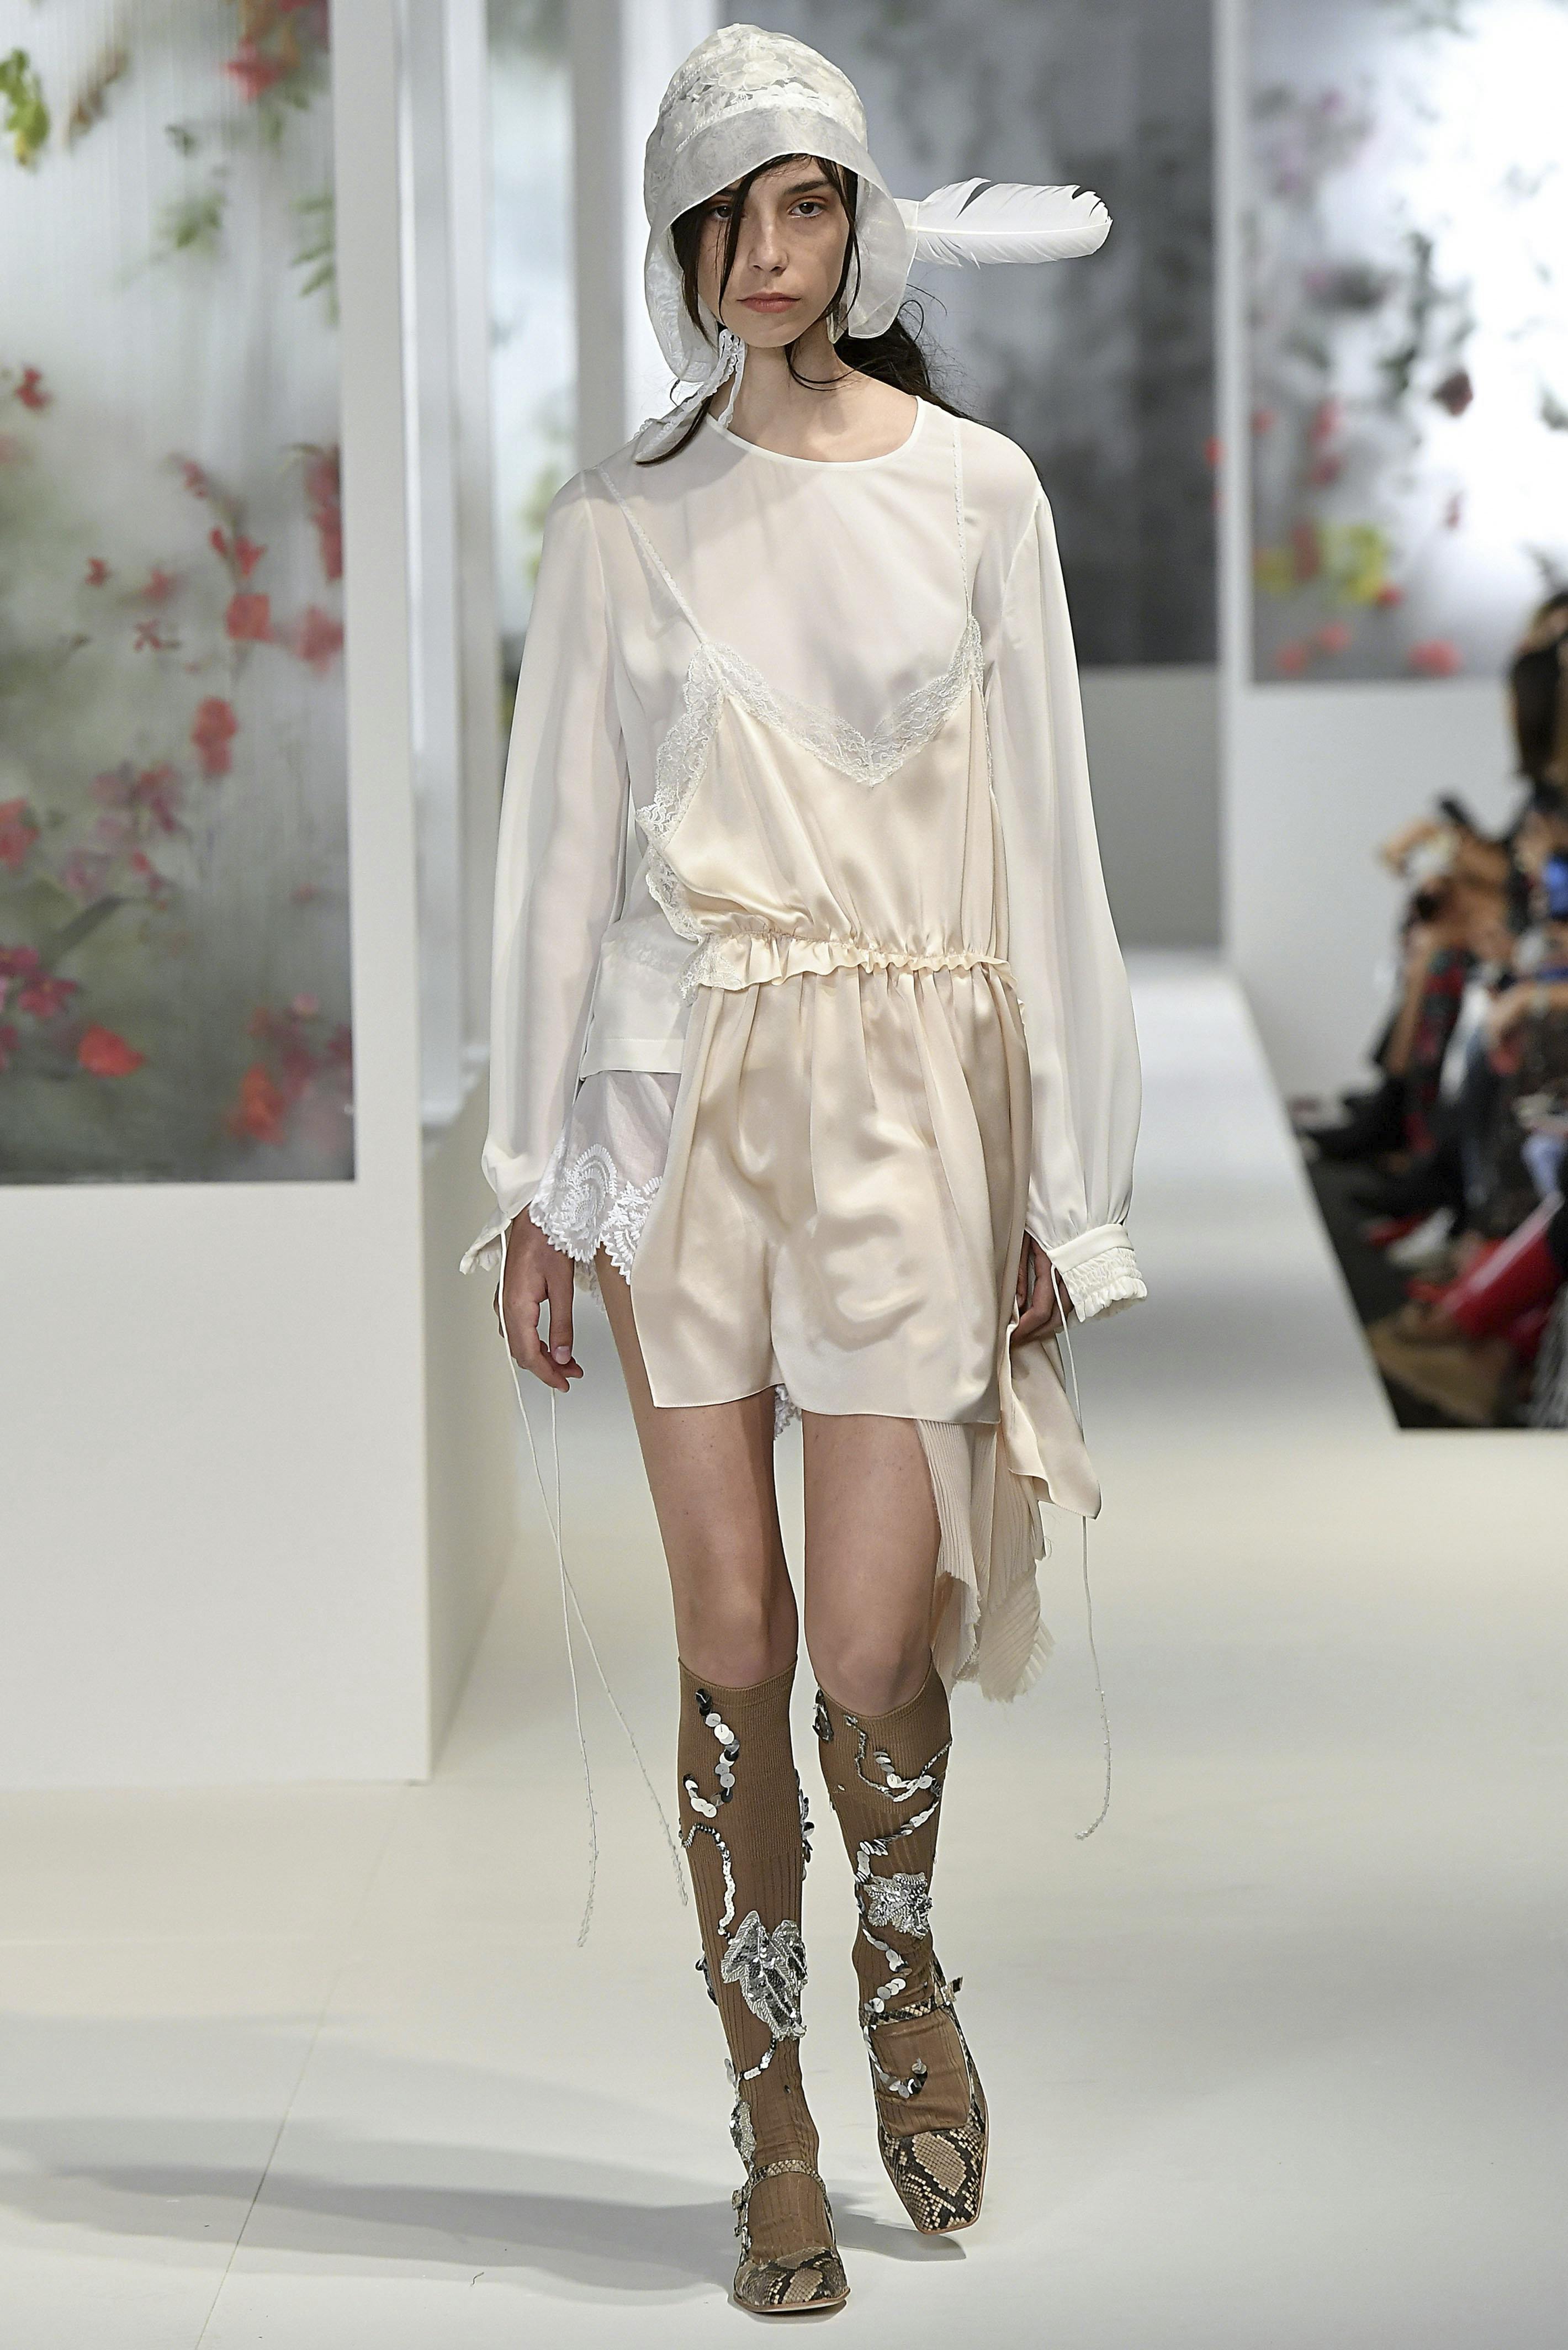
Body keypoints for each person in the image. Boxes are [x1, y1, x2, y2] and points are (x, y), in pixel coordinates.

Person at [464, 26, 1143, 2316]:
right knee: (732, 1635)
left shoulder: (977, 494)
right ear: (676, 244)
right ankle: (766, 2101)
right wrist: (533, 1181)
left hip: (904, 1102)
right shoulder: (618, 520)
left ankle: (900, 1952)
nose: (768, 255)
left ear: (857, 221)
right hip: (678, 1106)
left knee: (867, 1631)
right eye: (728, 216)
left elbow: (1049, 844)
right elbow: (557, 863)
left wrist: (1067, 1180)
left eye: (806, 205)